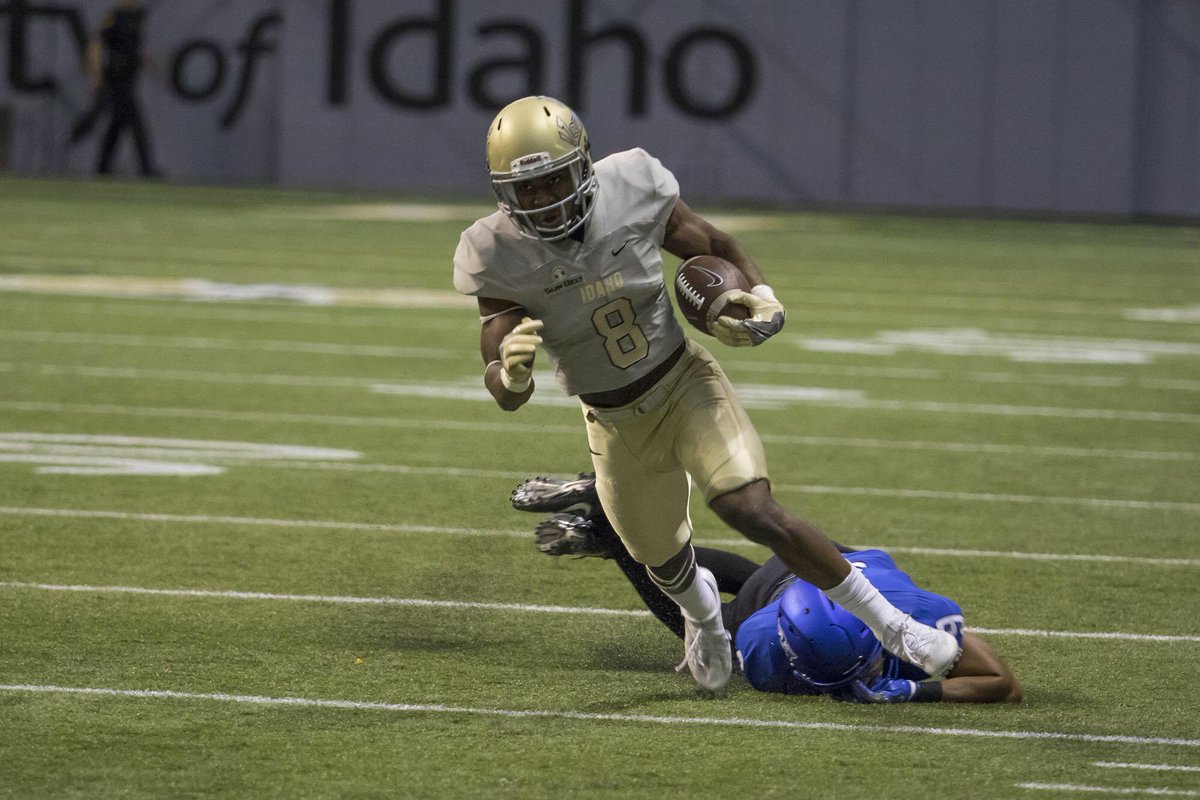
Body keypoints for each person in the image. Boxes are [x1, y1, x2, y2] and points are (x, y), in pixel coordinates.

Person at [453, 95, 959, 698]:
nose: (542, 199)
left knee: (750, 509)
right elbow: (501, 374)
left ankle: (895, 627)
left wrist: (761, 296)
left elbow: (713, 246)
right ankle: (704, 619)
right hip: (612, 422)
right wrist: (507, 376)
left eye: (553, 179)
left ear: (583, 164)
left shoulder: (633, 185)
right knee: (662, 560)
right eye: (526, 188)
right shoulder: (494, 250)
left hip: (685, 384)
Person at [512, 473, 1022, 704]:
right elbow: (998, 682)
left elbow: (1005, 683)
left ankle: (610, 527)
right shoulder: (762, 647)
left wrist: (919, 689)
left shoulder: (917, 616)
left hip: (825, 564)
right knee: (693, 619)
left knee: (753, 576)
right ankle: (614, 536)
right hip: (796, 579)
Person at [70, 0, 159, 177]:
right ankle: (146, 168)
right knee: (136, 123)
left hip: (129, 78)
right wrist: (95, 74)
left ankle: (103, 168)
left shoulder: (137, 17)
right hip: (116, 79)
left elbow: (133, 48)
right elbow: (96, 44)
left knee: (116, 126)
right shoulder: (113, 18)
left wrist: (145, 62)